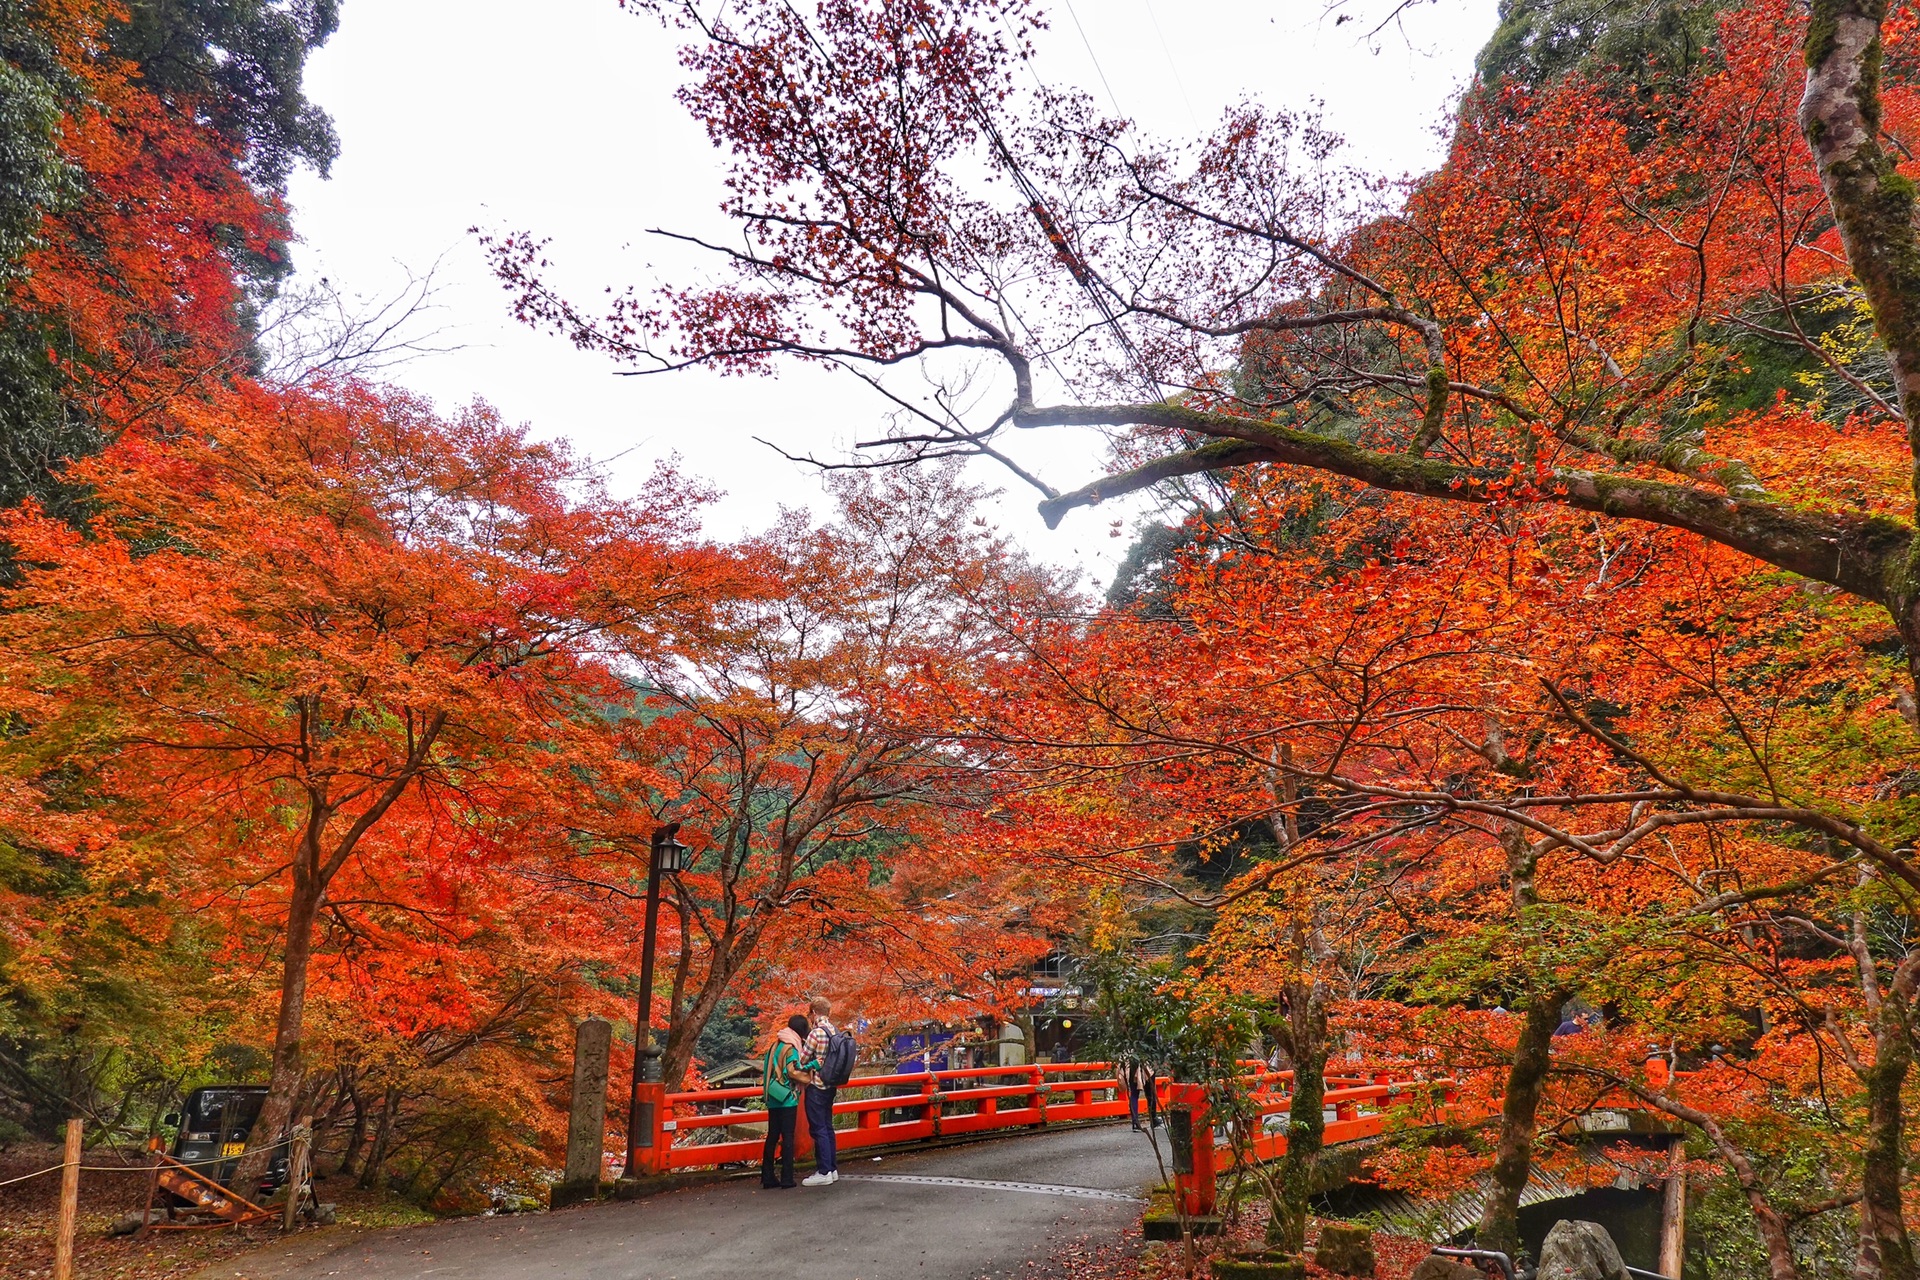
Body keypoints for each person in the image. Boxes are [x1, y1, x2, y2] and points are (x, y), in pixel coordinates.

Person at [760, 1014, 809, 1189]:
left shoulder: (775, 1045)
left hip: (773, 1096)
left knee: (772, 1135)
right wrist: (808, 1077)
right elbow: (793, 1071)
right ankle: (787, 1178)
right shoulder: (790, 1048)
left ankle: (767, 1176)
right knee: (788, 1136)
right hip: (787, 1098)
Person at [799, 996, 839, 1187]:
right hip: (831, 1085)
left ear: (814, 1013)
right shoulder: (835, 1031)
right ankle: (832, 1168)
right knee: (828, 1126)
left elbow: (802, 1060)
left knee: (818, 1128)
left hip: (817, 1085)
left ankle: (823, 1171)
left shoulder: (816, 1033)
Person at [1121, 1057, 1159, 1132]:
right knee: (1150, 1094)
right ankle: (1153, 1119)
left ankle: (1135, 1122)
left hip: (1131, 1063)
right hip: (1145, 1062)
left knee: (1134, 1094)